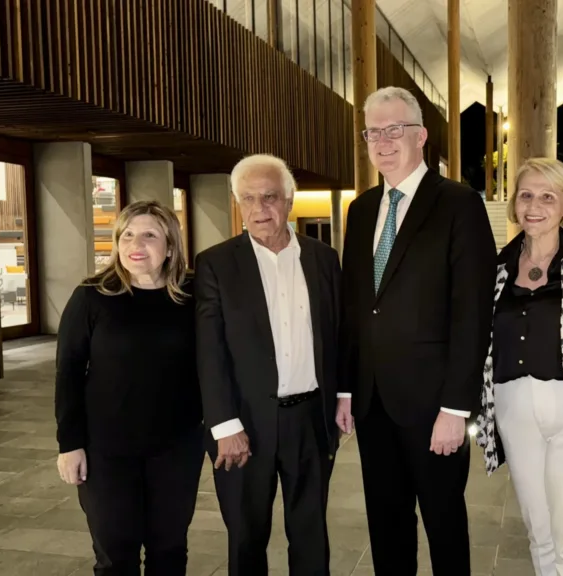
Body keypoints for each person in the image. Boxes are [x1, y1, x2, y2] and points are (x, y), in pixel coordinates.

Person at [337, 86, 496, 575]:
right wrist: (345, 389)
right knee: (387, 526)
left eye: (394, 130)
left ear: (421, 136)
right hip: (372, 402)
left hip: (433, 406)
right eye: (373, 132)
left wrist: (456, 408)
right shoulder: (361, 210)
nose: (383, 142)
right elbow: (355, 306)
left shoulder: (458, 203)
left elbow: (473, 313)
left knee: (444, 524)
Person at [195, 154, 342, 575]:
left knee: (311, 534)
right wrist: (224, 426)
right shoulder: (215, 263)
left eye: (270, 197)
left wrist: (343, 397)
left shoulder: (323, 258)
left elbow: (339, 334)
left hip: (310, 420)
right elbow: (209, 351)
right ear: (237, 203)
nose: (259, 208)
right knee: (246, 537)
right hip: (244, 424)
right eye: (249, 198)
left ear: (290, 200)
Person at [474, 158, 563, 576]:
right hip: (512, 408)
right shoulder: (494, 268)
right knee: (539, 533)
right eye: (526, 195)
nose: (534, 205)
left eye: (547, 196)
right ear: (514, 204)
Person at [54, 200, 203, 576]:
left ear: (170, 245)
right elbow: (68, 373)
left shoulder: (194, 296)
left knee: (169, 551)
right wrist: (70, 445)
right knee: (115, 556)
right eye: (127, 235)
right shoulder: (92, 296)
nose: (136, 244)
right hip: (106, 450)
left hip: (176, 447)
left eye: (149, 235)